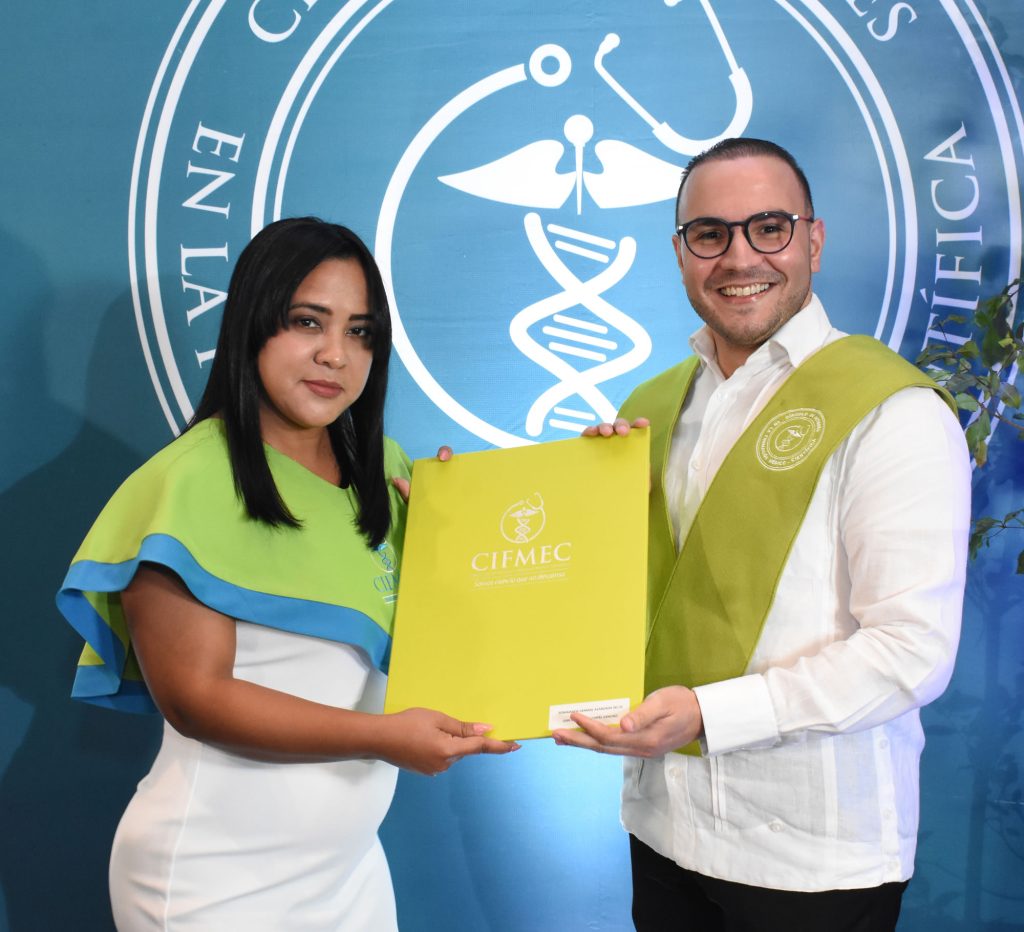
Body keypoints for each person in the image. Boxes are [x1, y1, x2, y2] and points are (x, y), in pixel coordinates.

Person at [552, 138, 971, 930]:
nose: (740, 257)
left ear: (814, 239)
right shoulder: (651, 408)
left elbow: (911, 650)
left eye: (769, 227)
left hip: (810, 857)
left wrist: (712, 715)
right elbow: (622, 598)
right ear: (681, 253)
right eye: (710, 234)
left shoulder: (893, 412)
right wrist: (463, 521)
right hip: (663, 825)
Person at [57, 217, 518, 930]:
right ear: (253, 323)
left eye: (361, 332)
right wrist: (381, 736)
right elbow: (196, 698)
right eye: (308, 322)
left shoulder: (389, 472)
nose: (336, 354)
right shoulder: (188, 483)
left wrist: (592, 482)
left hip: (351, 875)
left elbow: (464, 629)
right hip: (213, 884)